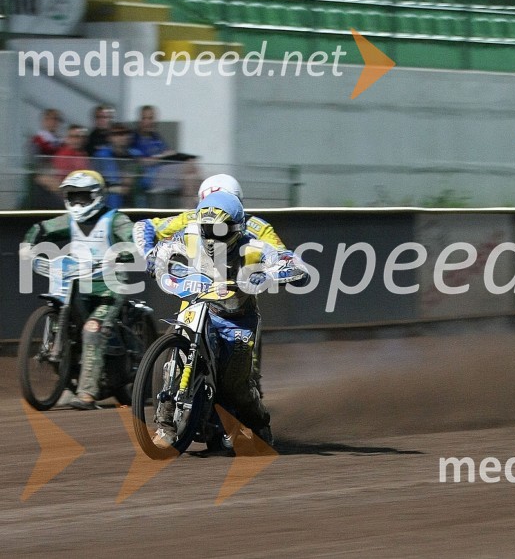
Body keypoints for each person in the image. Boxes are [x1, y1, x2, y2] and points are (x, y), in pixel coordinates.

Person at [148, 191, 308, 447]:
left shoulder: (252, 247)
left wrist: (274, 274)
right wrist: (155, 259)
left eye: (220, 229)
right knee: (176, 362)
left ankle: (259, 424)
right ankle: (165, 427)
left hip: (237, 320)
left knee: (235, 385)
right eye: (206, 229)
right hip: (200, 307)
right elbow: (163, 247)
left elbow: (293, 263)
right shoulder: (189, 235)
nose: (211, 236)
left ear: (237, 228)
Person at [133, 173, 286, 395]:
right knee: (180, 337)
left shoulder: (258, 228)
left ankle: (247, 396)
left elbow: (282, 256)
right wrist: (150, 255)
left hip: (236, 298)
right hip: (197, 291)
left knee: (242, 372)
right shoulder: (191, 219)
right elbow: (144, 226)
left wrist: (268, 274)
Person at [20, 170, 135, 410]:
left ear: (97, 196)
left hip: (109, 288)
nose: (78, 202)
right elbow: (41, 228)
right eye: (73, 197)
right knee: (70, 325)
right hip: (76, 284)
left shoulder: (115, 219)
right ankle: (68, 377)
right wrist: (28, 247)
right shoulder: (69, 220)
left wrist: (125, 251)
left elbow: (132, 238)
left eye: (83, 197)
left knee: (92, 330)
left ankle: (87, 393)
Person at [93, 122, 140, 209]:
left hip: (131, 200)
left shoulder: (135, 156)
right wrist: (114, 189)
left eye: (125, 133)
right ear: (110, 137)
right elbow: (95, 184)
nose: (122, 137)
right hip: (109, 201)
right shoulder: (101, 156)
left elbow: (135, 181)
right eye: (117, 134)